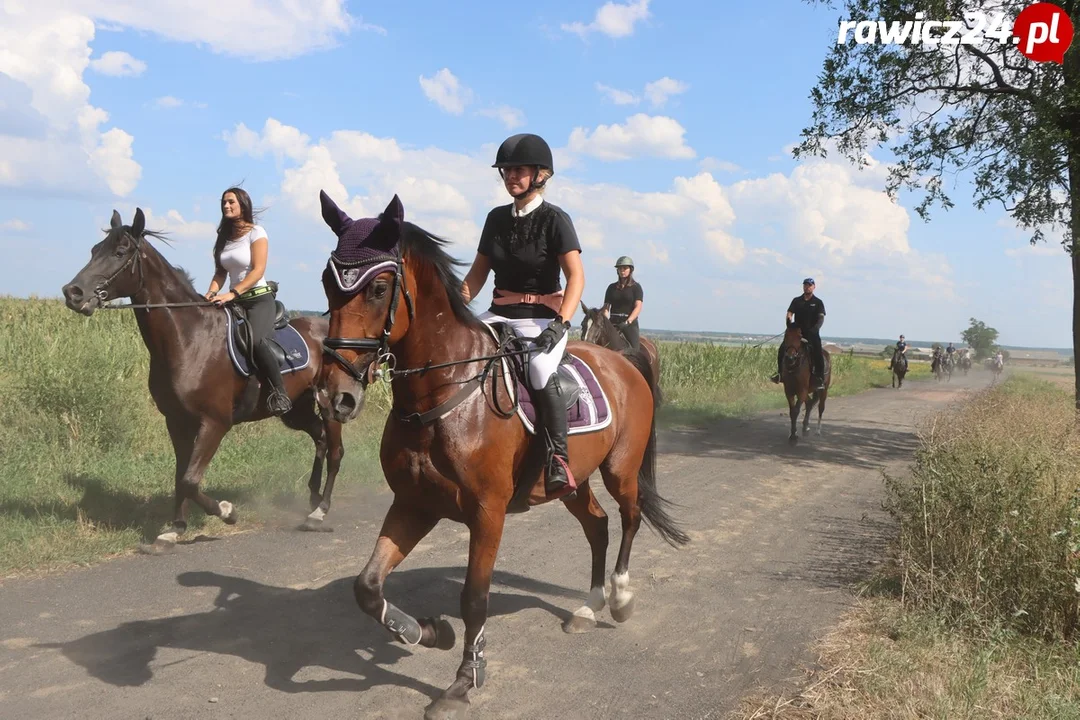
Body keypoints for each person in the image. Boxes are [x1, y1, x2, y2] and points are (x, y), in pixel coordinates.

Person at [460, 133, 585, 501]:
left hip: (543, 320)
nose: (511, 175)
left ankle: (557, 459)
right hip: (498, 314)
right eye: (506, 170)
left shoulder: (555, 220)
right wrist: (451, 305)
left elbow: (576, 276)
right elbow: (476, 276)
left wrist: (562, 322)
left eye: (519, 169)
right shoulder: (495, 219)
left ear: (541, 174)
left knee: (539, 369)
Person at [204, 187, 292, 416]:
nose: (226, 206)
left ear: (243, 204)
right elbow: (220, 274)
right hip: (234, 302)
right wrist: (210, 294)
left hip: (258, 300)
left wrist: (233, 293)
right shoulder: (223, 237)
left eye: (231, 201)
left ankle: (279, 393)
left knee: (257, 341)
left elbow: (258, 269)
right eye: (223, 202)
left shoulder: (256, 232)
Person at [771, 277, 826, 390]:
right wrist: (789, 321)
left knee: (818, 352)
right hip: (797, 333)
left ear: (814, 287)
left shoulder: (818, 302)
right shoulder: (796, 301)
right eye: (805, 285)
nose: (807, 287)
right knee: (782, 349)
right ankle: (780, 374)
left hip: (812, 333)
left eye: (810, 285)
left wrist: (815, 329)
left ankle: (819, 378)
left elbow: (821, 318)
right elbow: (790, 313)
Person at [602, 256, 643, 350]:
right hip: (613, 322)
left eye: (625, 268)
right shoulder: (611, 288)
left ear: (630, 270)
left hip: (629, 323)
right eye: (620, 268)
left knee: (635, 350)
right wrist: (606, 321)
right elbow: (606, 308)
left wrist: (628, 321)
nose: (622, 271)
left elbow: (638, 307)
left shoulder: (636, 287)